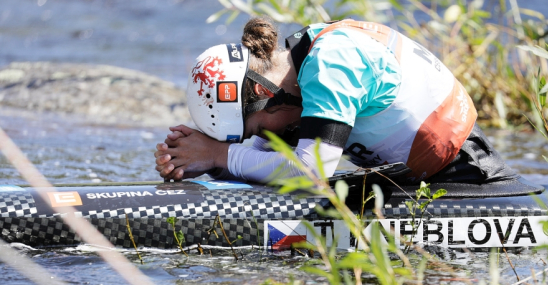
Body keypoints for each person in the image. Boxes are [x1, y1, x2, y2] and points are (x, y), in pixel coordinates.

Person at [154, 17, 516, 185]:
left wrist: (218, 155)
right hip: (418, 178)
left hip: (466, 175)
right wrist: (203, 162)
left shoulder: (331, 63)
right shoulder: (300, 68)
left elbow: (310, 172)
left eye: (257, 129)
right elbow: (268, 160)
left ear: (264, 92)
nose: (264, 137)